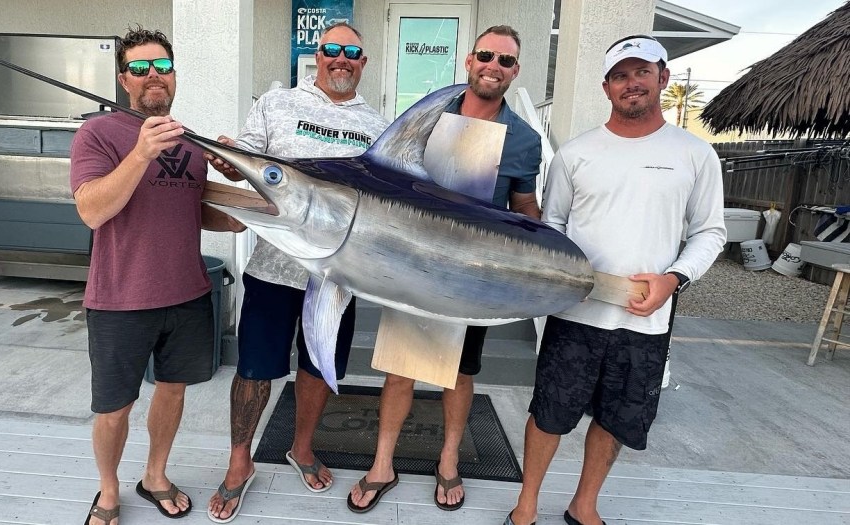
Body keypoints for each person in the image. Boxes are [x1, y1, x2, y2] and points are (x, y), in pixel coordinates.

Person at [505, 35, 726, 525]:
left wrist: (674, 279)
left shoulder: (694, 154)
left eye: (642, 72)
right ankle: (526, 505)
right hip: (576, 311)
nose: (632, 83)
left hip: (645, 318)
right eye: (621, 75)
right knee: (549, 413)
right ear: (607, 87)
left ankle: (584, 506)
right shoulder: (576, 155)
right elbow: (554, 226)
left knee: (616, 417)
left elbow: (711, 232)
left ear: (663, 78)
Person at [347, 24, 542, 514]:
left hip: (471, 275)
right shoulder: (426, 119)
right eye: (486, 56)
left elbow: (524, 208)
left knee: (457, 374)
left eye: (505, 61)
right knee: (400, 369)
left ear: (515, 72)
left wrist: (535, 252)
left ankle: (449, 461)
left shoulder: (522, 139)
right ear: (468, 61)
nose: (493, 66)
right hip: (412, 265)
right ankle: (382, 464)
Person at [204, 22, 388, 523]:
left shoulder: (377, 125)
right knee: (254, 369)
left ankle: (301, 449)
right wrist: (229, 164)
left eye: (352, 51)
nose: (342, 59)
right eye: (332, 50)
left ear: (363, 62)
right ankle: (240, 462)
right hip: (273, 267)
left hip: (339, 277)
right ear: (317, 56)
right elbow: (245, 162)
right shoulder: (277, 104)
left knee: (318, 369)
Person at [70, 26, 243, 525]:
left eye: (162, 67)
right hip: (119, 298)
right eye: (141, 68)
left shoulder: (189, 143)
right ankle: (108, 492)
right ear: (124, 79)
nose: (154, 77)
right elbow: (92, 210)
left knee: (173, 389)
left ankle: (155, 475)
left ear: (174, 75)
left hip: (188, 294)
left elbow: (194, 210)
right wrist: (141, 153)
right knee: (114, 407)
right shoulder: (97, 134)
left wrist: (237, 196)